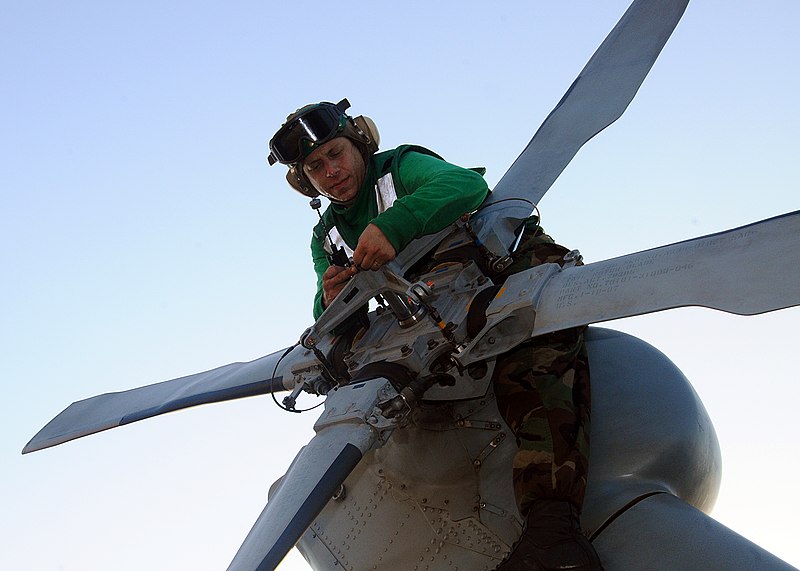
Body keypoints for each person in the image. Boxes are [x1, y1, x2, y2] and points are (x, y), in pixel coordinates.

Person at [268, 99, 603, 571]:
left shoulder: (399, 167)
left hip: (504, 274)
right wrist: (331, 297)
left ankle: (555, 534)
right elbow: (326, 314)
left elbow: (464, 185)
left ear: (358, 145)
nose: (331, 171)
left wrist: (393, 225)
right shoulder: (325, 236)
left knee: (532, 366)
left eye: (336, 153)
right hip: (434, 315)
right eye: (316, 166)